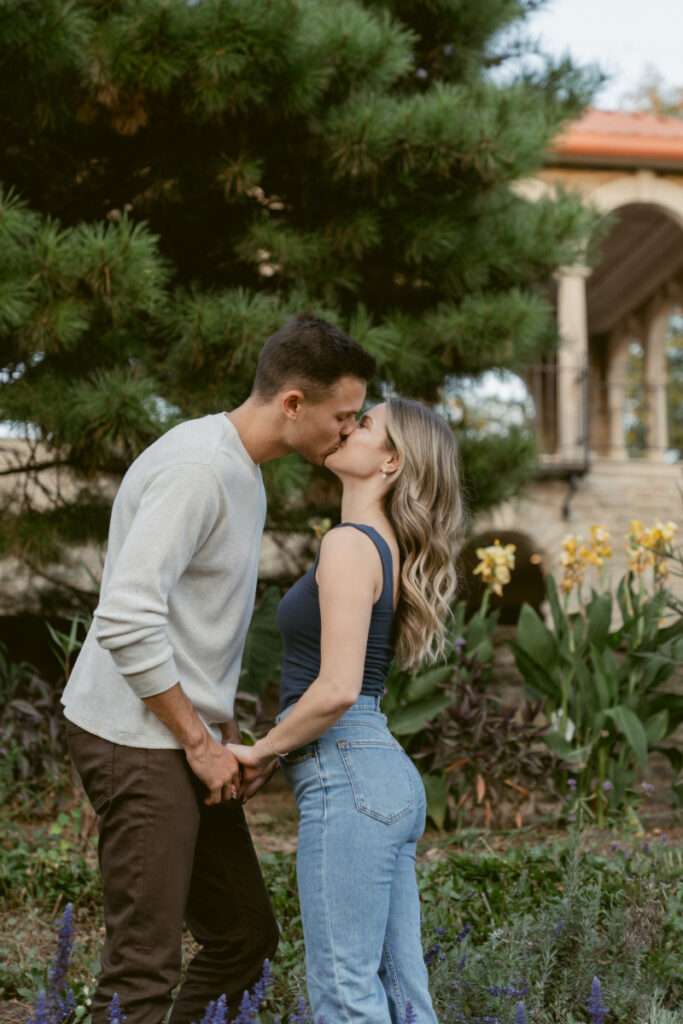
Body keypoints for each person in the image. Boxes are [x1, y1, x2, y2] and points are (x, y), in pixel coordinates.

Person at [61, 314, 376, 1024]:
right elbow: (126, 617)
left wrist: (223, 731)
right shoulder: (198, 467)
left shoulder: (244, 472)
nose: (350, 432)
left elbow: (194, 620)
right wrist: (198, 743)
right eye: (343, 416)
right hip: (134, 739)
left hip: (186, 736)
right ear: (292, 403)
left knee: (243, 938)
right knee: (141, 968)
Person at [229, 396, 463, 1024]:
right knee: (405, 998)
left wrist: (260, 750)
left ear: (390, 461)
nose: (347, 425)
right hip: (378, 773)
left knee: (344, 992)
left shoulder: (350, 544)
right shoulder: (380, 545)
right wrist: (282, 752)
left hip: (351, 775)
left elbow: (336, 689)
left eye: (365, 423)